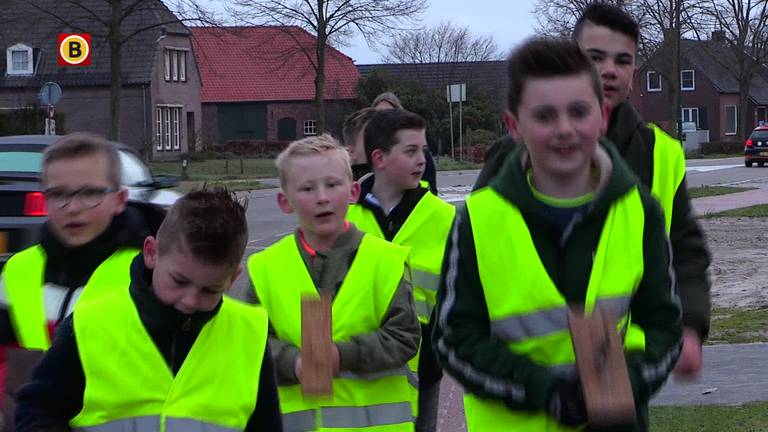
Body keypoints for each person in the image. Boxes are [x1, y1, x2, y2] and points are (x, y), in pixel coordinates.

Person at [433, 38, 682, 431]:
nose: (564, 129)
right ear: (514, 126)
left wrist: (625, 382)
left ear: (601, 116)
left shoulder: (641, 211)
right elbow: (454, 340)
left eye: (578, 112)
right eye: (545, 115)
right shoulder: (477, 220)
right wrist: (542, 389)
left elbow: (664, 328)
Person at [473, 2, 710, 379]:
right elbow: (475, 254)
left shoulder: (660, 154)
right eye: (595, 56)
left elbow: (685, 251)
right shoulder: (512, 156)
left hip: (617, 369)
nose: (609, 70)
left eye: (623, 60)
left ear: (635, 71)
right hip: (522, 375)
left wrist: (690, 325)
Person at [14, 188, 281, 431]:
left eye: (209, 290)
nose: (189, 301)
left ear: (233, 278)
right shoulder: (90, 325)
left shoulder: (250, 334)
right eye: (179, 281)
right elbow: (36, 409)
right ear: (151, 253)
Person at [247, 134, 420, 431]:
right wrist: (292, 362)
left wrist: (344, 355)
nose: (322, 197)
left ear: (353, 192)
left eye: (332, 184)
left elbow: (404, 336)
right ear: (284, 201)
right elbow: (250, 345)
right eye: (307, 188)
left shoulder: (384, 260)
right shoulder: (266, 267)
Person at [0, 133, 164, 427]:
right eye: (59, 194)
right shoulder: (17, 271)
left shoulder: (152, 272)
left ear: (120, 199)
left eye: (89, 193)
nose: (73, 207)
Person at [346, 109, 454, 432]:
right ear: (379, 158)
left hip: (424, 367)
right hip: (356, 367)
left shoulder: (443, 217)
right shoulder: (345, 215)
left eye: (423, 150)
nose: (421, 160)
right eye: (410, 151)